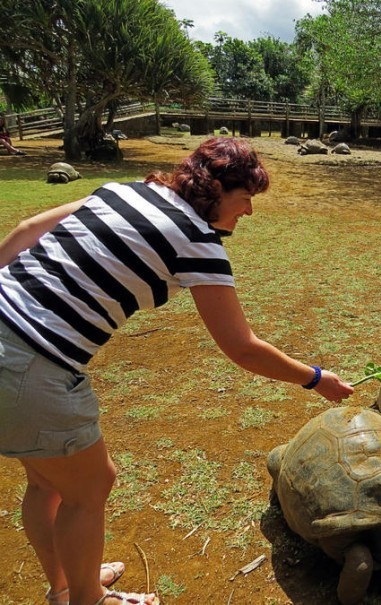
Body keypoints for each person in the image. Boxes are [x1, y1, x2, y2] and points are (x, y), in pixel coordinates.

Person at [0, 137, 355, 605]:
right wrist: (315, 378)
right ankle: (87, 598)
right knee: (90, 486)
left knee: (47, 482)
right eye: (246, 198)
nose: (249, 211)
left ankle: (68, 582)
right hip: (32, 362)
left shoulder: (124, 191)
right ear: (217, 190)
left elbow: (27, 230)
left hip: (10, 340)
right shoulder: (196, 240)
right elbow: (242, 348)